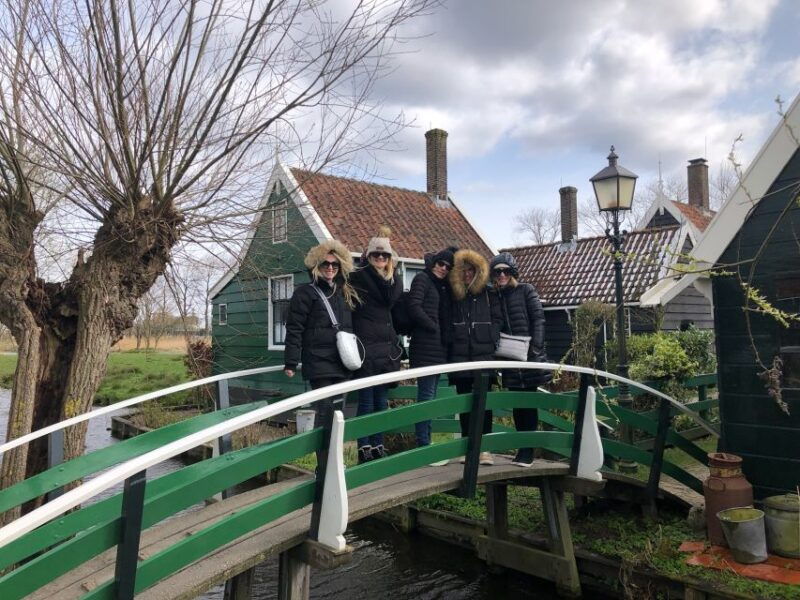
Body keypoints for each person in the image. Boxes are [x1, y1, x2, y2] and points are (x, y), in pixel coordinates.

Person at [283, 240, 360, 467]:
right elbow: (295, 327)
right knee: (325, 414)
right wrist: (291, 361)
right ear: (316, 266)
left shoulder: (342, 293)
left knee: (338, 415)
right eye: (325, 264)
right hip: (319, 364)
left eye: (334, 265)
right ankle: (324, 466)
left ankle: (334, 463)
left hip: (341, 364)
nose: (330, 268)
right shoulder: (305, 293)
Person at [490, 252, 551, 467]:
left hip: (529, 357)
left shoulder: (526, 290)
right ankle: (521, 447)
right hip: (510, 358)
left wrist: (535, 348)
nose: (502, 275)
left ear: (512, 272)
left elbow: (538, 319)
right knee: (517, 404)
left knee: (529, 403)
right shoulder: (495, 297)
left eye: (505, 271)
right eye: (498, 272)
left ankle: (528, 451)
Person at [350, 227, 404, 463]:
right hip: (365, 347)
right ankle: (364, 446)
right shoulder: (358, 278)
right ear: (368, 257)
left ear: (390, 259)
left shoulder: (394, 282)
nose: (380, 259)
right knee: (366, 400)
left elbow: (398, 313)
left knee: (381, 402)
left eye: (384, 256)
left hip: (386, 350)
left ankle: (378, 444)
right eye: (376, 255)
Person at [448, 249, 502, 466]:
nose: (467, 274)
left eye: (471, 270)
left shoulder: (489, 295)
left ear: (479, 271)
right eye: (464, 271)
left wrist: (489, 334)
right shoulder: (455, 296)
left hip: (483, 356)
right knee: (465, 405)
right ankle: (466, 447)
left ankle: (485, 449)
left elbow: (498, 319)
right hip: (461, 358)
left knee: (485, 404)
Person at [408, 246, 457, 466]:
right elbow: (414, 306)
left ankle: (425, 443)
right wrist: (432, 326)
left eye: (448, 266)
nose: (443, 269)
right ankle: (423, 447)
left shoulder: (444, 286)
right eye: (440, 264)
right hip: (425, 347)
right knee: (426, 396)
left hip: (439, 349)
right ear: (434, 263)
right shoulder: (422, 279)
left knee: (431, 395)